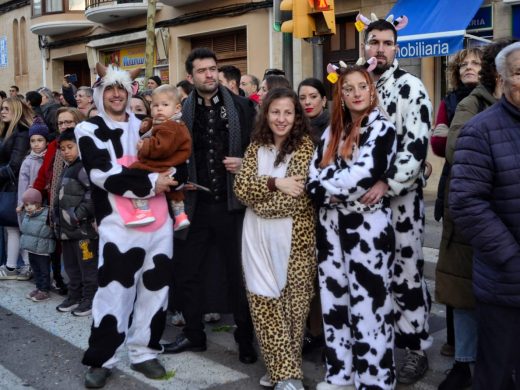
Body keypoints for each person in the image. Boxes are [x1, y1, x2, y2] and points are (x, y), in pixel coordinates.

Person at [75, 63, 176, 388]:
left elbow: (174, 158)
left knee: (155, 290)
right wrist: (151, 182)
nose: (117, 94)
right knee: (113, 293)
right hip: (118, 226)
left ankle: (144, 351)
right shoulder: (88, 130)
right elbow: (102, 174)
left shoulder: (146, 126)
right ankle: (102, 358)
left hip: (159, 223)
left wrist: (173, 177)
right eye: (110, 89)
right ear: (101, 94)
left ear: (129, 92)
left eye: (121, 88)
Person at [161, 47, 257, 365]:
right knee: (188, 272)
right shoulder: (181, 115)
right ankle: (194, 334)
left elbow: (260, 150)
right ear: (191, 77)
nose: (209, 75)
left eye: (212, 69)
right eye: (202, 71)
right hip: (195, 205)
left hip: (232, 206)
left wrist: (245, 162)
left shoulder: (242, 108)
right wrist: (179, 176)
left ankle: (245, 339)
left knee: (238, 274)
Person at [307, 64, 397, 390]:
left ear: (371, 91)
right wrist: (323, 190)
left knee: (369, 307)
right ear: (341, 95)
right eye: (349, 89)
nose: (356, 93)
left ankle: (374, 380)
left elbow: (363, 174)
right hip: (330, 230)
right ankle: (340, 374)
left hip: (368, 232)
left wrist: (325, 191)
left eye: (362, 87)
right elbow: (314, 173)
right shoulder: (335, 129)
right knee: (334, 305)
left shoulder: (382, 128)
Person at [435, 40, 513, 390]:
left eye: (475, 63)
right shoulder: (471, 106)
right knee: (466, 297)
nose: (470, 68)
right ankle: (464, 362)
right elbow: (449, 146)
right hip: (478, 226)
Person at [361, 15, 433, 384]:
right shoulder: (355, 85)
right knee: (371, 276)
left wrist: (387, 184)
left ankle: (416, 348)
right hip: (358, 203)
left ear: (396, 48)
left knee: (406, 274)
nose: (380, 49)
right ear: (365, 45)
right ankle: (378, 346)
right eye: (374, 42)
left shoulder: (410, 87)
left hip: (400, 202)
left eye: (387, 44)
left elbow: (416, 147)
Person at [234, 87, 316, 390]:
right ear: (266, 114)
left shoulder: (306, 147)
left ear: (297, 117)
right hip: (256, 238)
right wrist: (275, 181)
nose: (281, 119)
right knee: (264, 304)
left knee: (293, 310)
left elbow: (293, 201)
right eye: (275, 112)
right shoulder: (256, 146)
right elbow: (240, 189)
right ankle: (287, 376)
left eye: (288, 112)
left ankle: (283, 370)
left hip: (294, 239)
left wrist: (259, 195)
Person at [431, 47, 482, 360]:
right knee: (453, 269)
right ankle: (453, 340)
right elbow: (438, 145)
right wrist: (449, 137)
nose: (469, 68)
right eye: (464, 64)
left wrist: (453, 134)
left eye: (476, 63)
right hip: (452, 185)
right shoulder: (448, 101)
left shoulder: (494, 97)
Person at [32, 107, 86, 296]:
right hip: (56, 203)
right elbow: (43, 173)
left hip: (79, 208)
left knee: (80, 254)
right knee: (57, 245)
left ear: (78, 122)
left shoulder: (86, 144)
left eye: (68, 122)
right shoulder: (55, 145)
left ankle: (81, 291)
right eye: (60, 123)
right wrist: (34, 193)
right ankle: (61, 282)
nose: (64, 126)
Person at [127, 85, 191, 231]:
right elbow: (159, 132)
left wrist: (145, 146)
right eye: (155, 105)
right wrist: (149, 125)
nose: (159, 109)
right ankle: (180, 215)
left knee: (135, 171)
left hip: (166, 164)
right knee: (174, 192)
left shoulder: (170, 127)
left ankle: (143, 210)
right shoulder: (172, 123)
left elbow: (161, 147)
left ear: (177, 108)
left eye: (165, 105)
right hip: (175, 166)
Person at [54, 128, 98, 316]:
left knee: (87, 267)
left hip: (83, 231)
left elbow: (93, 194)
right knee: (71, 267)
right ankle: (74, 296)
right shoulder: (67, 169)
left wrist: (78, 215)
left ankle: (90, 299)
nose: (66, 152)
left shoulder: (83, 168)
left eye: (70, 147)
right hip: (66, 231)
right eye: (62, 148)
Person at [0, 97, 33, 281]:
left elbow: (15, 166)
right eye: (2, 108)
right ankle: (18, 266)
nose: (2, 111)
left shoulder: (21, 133)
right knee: (14, 228)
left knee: (16, 227)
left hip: (16, 186)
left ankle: (19, 266)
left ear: (16, 110)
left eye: (6, 108)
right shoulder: (9, 131)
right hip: (9, 185)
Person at [19, 188, 55, 302]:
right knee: (36, 269)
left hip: (43, 249)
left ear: (38, 203)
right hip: (32, 248)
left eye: (31, 204)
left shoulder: (46, 213)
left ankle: (44, 290)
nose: (28, 207)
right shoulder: (28, 214)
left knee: (44, 270)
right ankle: (38, 288)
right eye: (26, 205)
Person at [298, 77, 330, 143]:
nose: (307, 102)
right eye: (302, 98)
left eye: (313, 97)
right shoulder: (294, 127)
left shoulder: (335, 126)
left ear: (324, 100)